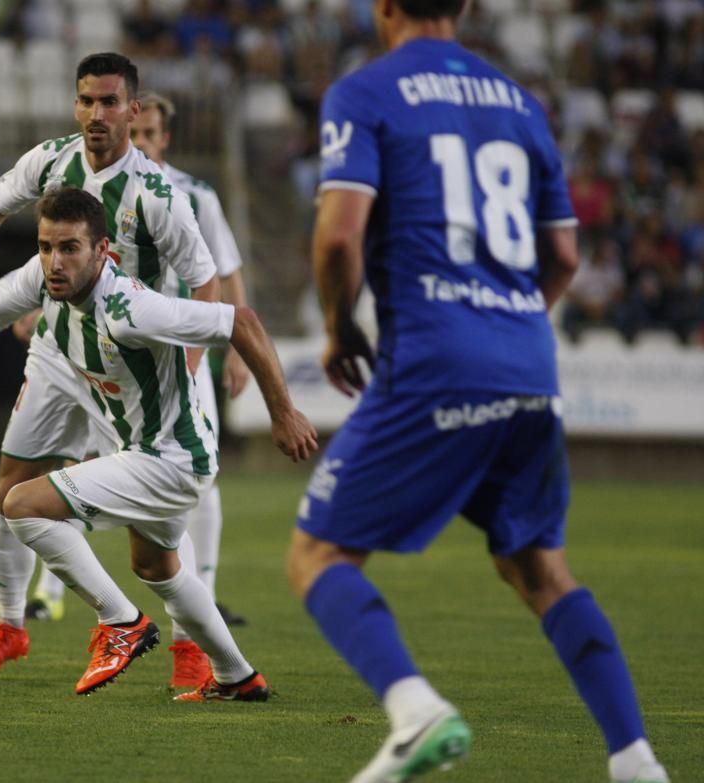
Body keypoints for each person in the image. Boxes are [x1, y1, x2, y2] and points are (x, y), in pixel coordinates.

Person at [285, 2, 670, 782]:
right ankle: (636, 760)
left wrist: (338, 327)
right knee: (540, 568)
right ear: (461, 6)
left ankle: (414, 708)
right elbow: (562, 253)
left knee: (318, 554)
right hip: (529, 361)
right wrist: (505, 327)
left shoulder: (365, 92)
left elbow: (336, 235)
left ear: (382, 7)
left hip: (434, 359)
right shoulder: (520, 102)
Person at [0, 186, 318, 699]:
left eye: (69, 248)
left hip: (169, 459)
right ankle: (237, 677)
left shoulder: (131, 308)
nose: (54, 262)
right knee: (156, 566)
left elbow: (241, 322)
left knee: (21, 504)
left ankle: (121, 622)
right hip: (149, 453)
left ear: (102, 251)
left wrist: (283, 413)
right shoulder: (45, 282)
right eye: (45, 247)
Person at [0, 52, 223, 688]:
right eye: (87, 101)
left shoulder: (158, 196)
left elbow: (206, 284)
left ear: (133, 110)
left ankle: (187, 648)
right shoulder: (52, 159)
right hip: (59, 350)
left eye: (110, 102)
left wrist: (190, 369)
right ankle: (10, 624)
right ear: (76, 104)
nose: (98, 113)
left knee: (159, 522)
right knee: (13, 482)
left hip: (132, 366)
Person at [27, 89, 253, 638]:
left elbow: (221, 273)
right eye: (140, 133)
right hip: (101, 344)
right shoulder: (89, 187)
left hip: (172, 348)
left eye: (153, 134)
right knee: (68, 457)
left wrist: (210, 358)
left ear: (162, 137)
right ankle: (51, 592)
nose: (145, 142)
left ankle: (196, 599)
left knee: (193, 477)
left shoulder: (191, 194)